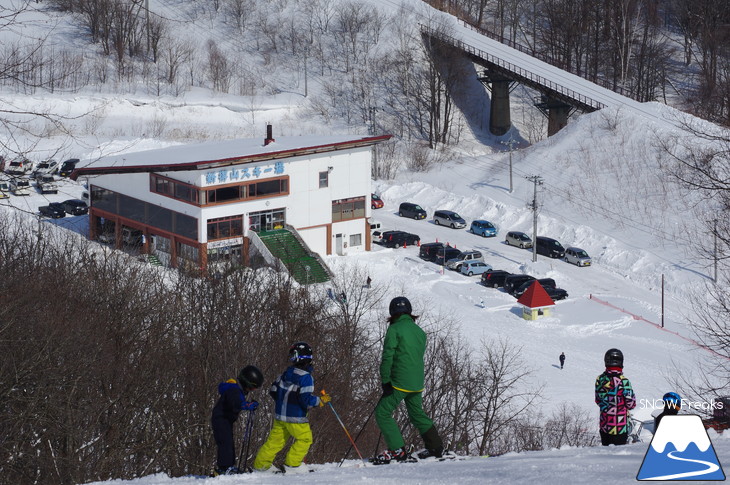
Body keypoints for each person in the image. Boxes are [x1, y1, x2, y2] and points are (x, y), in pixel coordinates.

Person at [374, 297, 444, 464]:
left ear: (392, 313)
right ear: (409, 312)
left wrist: (385, 380)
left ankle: (397, 450)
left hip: (399, 381)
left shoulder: (394, 329)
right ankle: (435, 446)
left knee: (382, 413)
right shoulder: (420, 332)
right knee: (416, 413)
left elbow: (388, 356)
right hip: (417, 382)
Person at [253, 342, 331, 474]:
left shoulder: (285, 374)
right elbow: (305, 400)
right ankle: (292, 465)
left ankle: (261, 465)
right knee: (305, 439)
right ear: (307, 359)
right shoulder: (306, 378)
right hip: (296, 417)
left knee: (275, 441)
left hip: (280, 416)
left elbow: (273, 391)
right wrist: (320, 401)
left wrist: (283, 403)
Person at [212, 365, 264, 475]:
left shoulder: (235, 389)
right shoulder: (234, 390)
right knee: (225, 443)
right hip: (221, 419)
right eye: (251, 388)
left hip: (225, 419)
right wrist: (246, 405)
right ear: (246, 383)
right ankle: (223, 468)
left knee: (228, 443)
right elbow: (235, 402)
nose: (251, 391)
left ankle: (228, 466)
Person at [595, 348, 636, 446]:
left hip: (605, 425)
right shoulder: (624, 381)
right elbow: (631, 404)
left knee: (606, 453)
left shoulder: (600, 379)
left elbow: (598, 400)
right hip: (620, 427)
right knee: (618, 454)